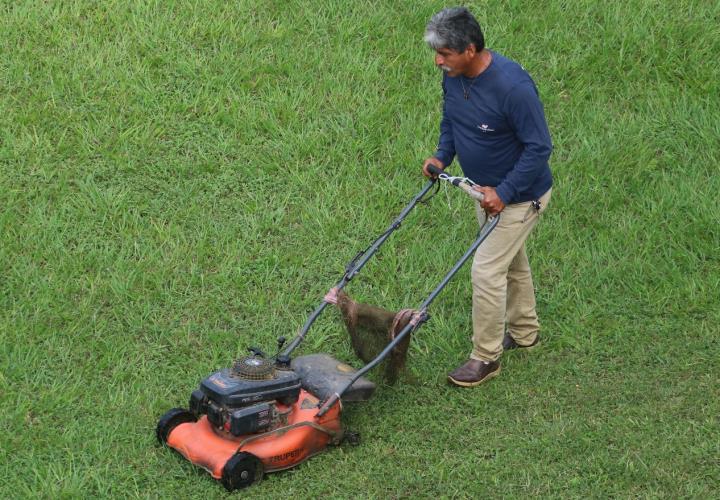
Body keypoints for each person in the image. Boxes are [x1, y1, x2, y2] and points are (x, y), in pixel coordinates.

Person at [421, 7, 553, 387]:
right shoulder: (455, 76)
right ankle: (526, 334)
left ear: (470, 49)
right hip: (487, 193)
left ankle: (486, 358)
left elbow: (539, 147)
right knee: (510, 263)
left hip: (521, 196)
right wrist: (442, 155)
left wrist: (506, 191)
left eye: (445, 53)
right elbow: (453, 120)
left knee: (486, 271)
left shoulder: (513, 88)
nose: (438, 61)